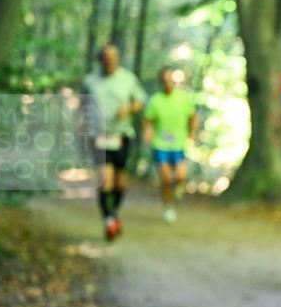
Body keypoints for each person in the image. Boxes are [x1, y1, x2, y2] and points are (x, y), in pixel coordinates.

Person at [83, 44, 146, 241]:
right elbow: (82, 105)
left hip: (122, 135)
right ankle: (109, 220)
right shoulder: (90, 81)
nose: (109, 61)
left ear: (118, 59)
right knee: (104, 180)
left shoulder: (128, 78)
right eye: (105, 57)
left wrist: (128, 108)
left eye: (112, 57)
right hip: (98, 135)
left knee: (119, 182)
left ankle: (113, 213)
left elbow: (141, 101)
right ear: (99, 59)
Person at [143, 67, 198, 224]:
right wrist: (148, 131)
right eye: (165, 81)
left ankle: (178, 189)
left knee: (181, 177)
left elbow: (193, 117)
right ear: (161, 82)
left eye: (170, 80)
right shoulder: (155, 101)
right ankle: (168, 207)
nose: (168, 84)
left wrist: (192, 132)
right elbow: (147, 120)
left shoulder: (183, 98)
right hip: (160, 145)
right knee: (166, 179)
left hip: (179, 144)